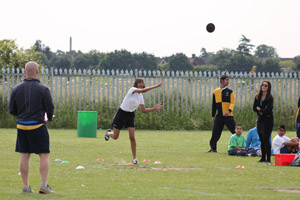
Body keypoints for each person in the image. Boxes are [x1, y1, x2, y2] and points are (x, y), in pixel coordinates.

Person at [9, 61, 55, 194]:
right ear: (37, 72)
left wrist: (22, 116)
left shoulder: (16, 89)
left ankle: (25, 186)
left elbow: (12, 109)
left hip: (22, 125)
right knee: (44, 155)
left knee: (24, 155)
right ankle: (44, 185)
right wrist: (49, 118)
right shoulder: (43, 89)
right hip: (38, 125)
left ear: (24, 72)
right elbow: (50, 108)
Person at [104, 78, 163, 164]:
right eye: (139, 83)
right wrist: (155, 86)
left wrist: (154, 108)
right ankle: (108, 133)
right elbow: (143, 91)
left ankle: (134, 158)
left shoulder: (140, 97)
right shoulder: (132, 90)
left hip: (130, 115)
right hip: (121, 113)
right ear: (136, 84)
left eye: (142, 83)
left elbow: (144, 110)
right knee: (115, 137)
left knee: (132, 137)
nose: (141, 84)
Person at [207, 74, 236, 153]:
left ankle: (242, 146)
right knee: (215, 132)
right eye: (226, 80)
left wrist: (229, 110)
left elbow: (232, 103)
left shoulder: (230, 92)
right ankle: (213, 148)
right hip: (219, 116)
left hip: (228, 116)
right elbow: (214, 105)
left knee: (235, 131)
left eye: (228, 80)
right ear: (222, 81)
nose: (228, 81)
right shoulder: (215, 92)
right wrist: (213, 115)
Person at [253, 80, 274, 163]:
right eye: (262, 85)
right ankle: (263, 158)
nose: (263, 86)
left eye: (265, 85)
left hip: (268, 120)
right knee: (261, 138)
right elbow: (254, 108)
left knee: (266, 139)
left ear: (268, 88)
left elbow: (268, 110)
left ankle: (268, 158)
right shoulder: (257, 97)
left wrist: (260, 109)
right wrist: (261, 110)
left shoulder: (270, 98)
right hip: (260, 120)